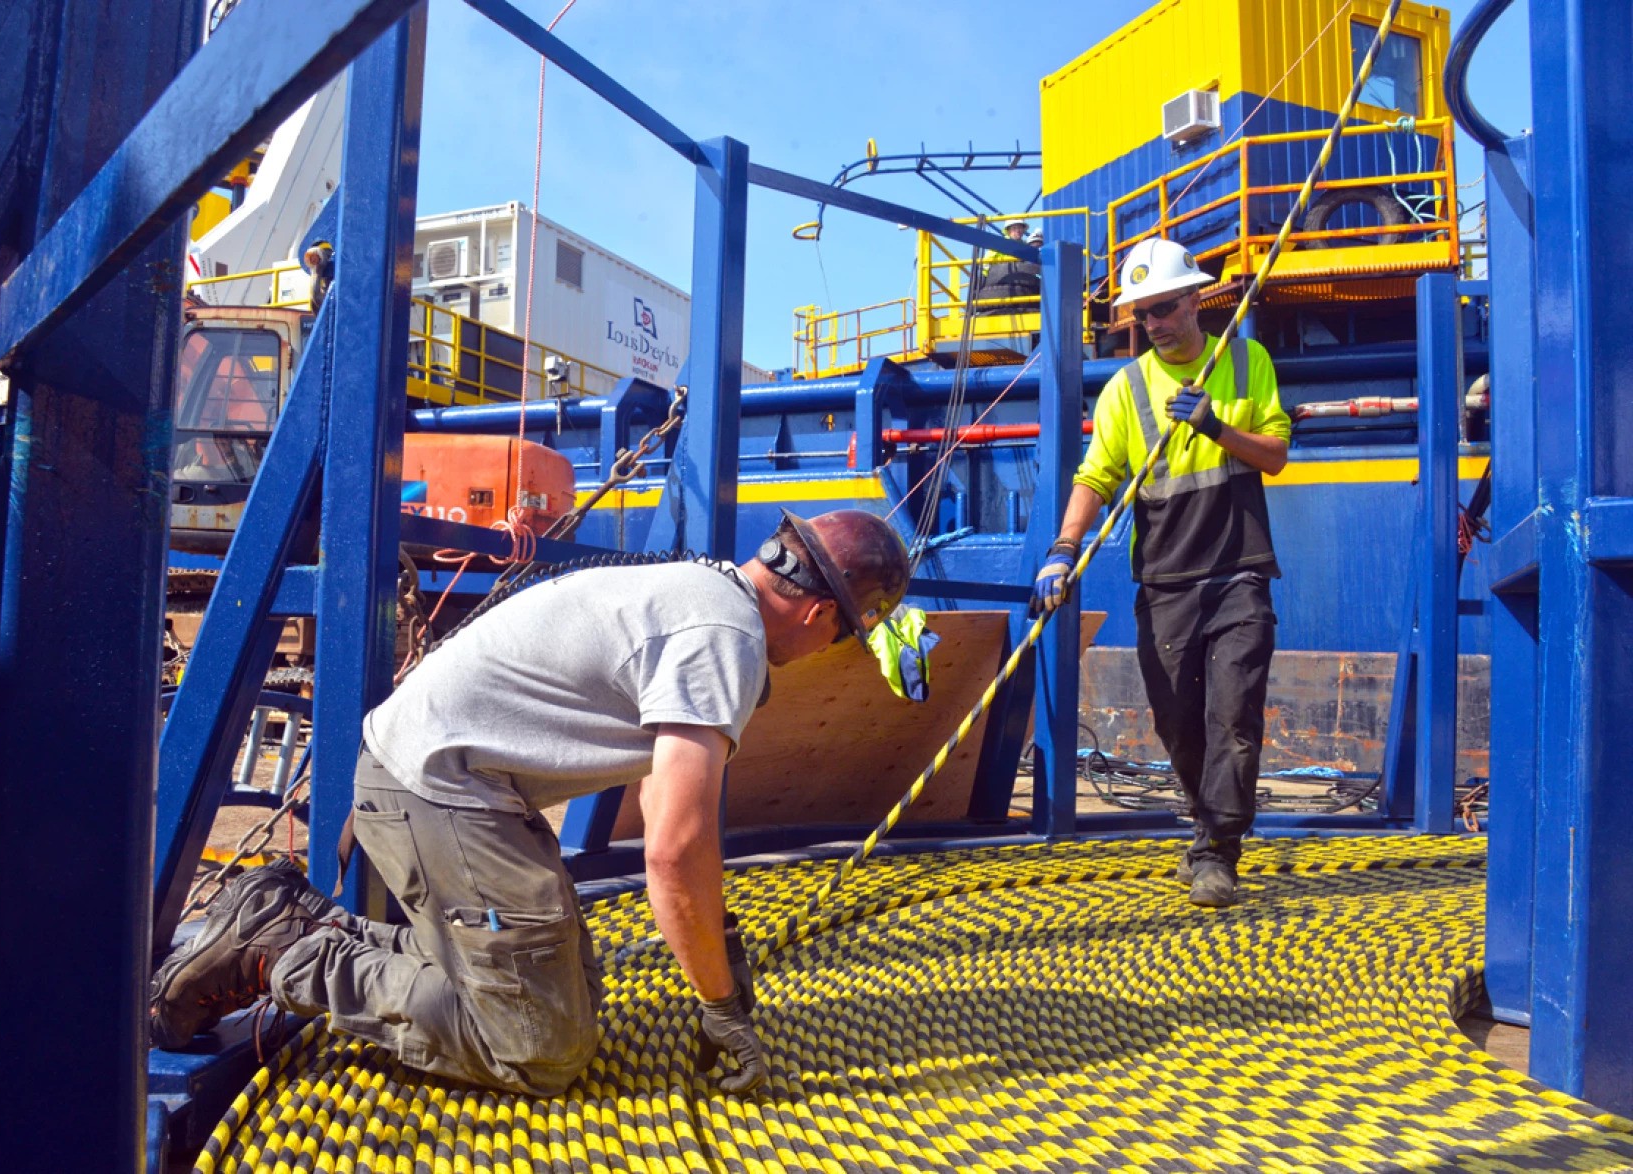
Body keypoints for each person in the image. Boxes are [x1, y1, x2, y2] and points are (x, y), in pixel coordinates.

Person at [149, 509, 911, 1095]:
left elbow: (661, 798)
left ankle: (294, 923)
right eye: (844, 638)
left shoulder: (704, 593)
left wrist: (710, 935)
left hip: (449, 784)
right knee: (540, 1046)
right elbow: (673, 850)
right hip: (438, 790)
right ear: (822, 616)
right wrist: (720, 1003)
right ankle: (285, 953)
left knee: (571, 993)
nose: (826, 650)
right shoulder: (727, 637)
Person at [1030, 237, 1290, 909]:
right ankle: (1207, 828)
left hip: (1238, 573)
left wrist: (1214, 426)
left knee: (1231, 717)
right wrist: (1063, 548)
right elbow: (1097, 475)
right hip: (1167, 582)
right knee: (1179, 722)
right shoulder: (1126, 388)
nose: (1155, 324)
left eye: (1166, 307)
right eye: (1143, 314)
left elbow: (1275, 456)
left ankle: (1217, 852)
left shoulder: (1244, 359)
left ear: (1197, 299)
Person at [975, 221, 1042, 314]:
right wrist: (988, 275)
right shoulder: (1000, 243)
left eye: (1020, 228)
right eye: (1015, 228)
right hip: (997, 278)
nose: (1018, 231)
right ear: (1008, 231)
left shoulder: (1025, 247)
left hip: (1021, 284)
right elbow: (987, 261)